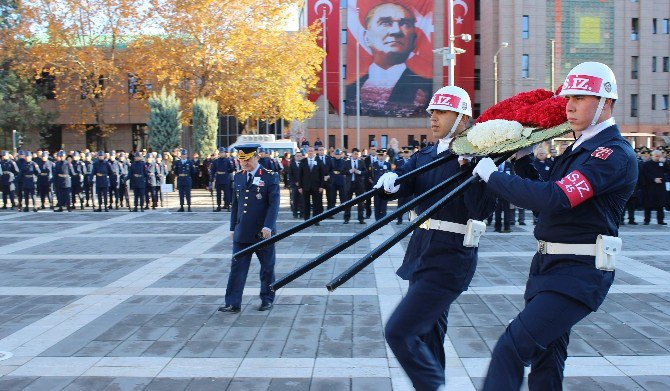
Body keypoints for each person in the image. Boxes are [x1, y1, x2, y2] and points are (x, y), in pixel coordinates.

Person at [472, 62, 638, 390]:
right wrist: (524, 161)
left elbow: (555, 198)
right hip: (549, 268)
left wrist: (494, 176)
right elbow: (550, 191)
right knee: (547, 364)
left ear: (606, 102)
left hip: (578, 273)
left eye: (581, 97)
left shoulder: (611, 154)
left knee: (511, 349)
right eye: (568, 98)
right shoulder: (579, 149)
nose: (570, 106)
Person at [375, 85, 495, 390]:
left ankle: (432, 385)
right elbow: (406, 184)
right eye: (432, 112)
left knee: (400, 331)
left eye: (441, 112)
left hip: (451, 256)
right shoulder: (427, 153)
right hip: (421, 251)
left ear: (462, 117)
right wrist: (390, 183)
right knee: (429, 334)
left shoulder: (478, 155)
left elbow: (481, 208)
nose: (433, 117)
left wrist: (475, 170)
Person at [219, 144, 280, 313]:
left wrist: (268, 225)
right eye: (241, 160)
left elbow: (273, 205)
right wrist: (232, 228)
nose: (244, 164)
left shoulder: (269, 177)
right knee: (237, 268)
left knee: (267, 268)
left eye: (247, 160)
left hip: (263, 233)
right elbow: (235, 205)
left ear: (257, 157)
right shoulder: (238, 177)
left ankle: (267, 299)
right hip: (242, 232)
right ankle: (233, 302)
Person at [345, 1, 432, 117]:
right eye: (385, 23)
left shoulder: (428, 89)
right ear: (366, 37)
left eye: (405, 23)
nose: (396, 31)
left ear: (414, 40)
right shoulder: (349, 91)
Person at [297, 146, 325, 223]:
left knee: (316, 203)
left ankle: (316, 220)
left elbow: (322, 175)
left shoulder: (319, 161)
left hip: (316, 186)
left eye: (311, 151)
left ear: (314, 152)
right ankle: (307, 219)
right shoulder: (303, 161)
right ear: (307, 152)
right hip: (305, 186)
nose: (310, 152)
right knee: (306, 203)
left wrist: (321, 186)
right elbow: (299, 175)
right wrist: (299, 187)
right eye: (309, 151)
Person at [641, 149, 668, 225]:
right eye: (656, 156)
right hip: (650, 187)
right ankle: (647, 220)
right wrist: (653, 179)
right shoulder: (646, 164)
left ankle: (660, 220)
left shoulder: (662, 164)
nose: (658, 158)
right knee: (648, 205)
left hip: (660, 187)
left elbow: (667, 171)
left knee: (660, 204)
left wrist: (665, 163)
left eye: (659, 156)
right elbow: (645, 174)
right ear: (652, 156)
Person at [342, 148, 367, 224]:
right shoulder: (347, 162)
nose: (356, 155)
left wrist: (358, 172)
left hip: (359, 184)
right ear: (352, 154)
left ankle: (361, 218)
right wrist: (350, 171)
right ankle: (346, 218)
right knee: (348, 202)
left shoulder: (361, 162)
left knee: (360, 202)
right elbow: (342, 172)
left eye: (357, 154)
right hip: (349, 184)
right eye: (355, 153)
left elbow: (365, 172)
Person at [210, 147, 235, 211]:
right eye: (220, 152)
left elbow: (232, 169)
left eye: (223, 152)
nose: (222, 154)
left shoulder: (228, 160)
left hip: (226, 178)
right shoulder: (215, 161)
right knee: (218, 194)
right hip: (218, 178)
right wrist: (211, 179)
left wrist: (229, 169)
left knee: (227, 193)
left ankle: (228, 206)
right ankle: (218, 206)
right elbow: (213, 171)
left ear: (225, 153)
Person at [394, 147, 412, 224]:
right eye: (405, 152)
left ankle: (411, 220)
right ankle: (399, 220)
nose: (406, 154)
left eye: (407, 152)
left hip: (411, 186)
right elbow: (396, 172)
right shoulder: (399, 162)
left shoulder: (413, 161)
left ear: (410, 153)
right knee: (400, 205)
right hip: (401, 186)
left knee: (411, 205)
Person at [372, 149, 391, 221]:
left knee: (384, 204)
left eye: (382, 155)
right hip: (377, 187)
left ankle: (383, 219)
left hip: (385, 187)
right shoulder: (374, 164)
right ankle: (377, 219)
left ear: (384, 156)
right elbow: (371, 175)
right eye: (379, 155)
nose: (380, 157)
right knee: (376, 204)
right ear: (377, 156)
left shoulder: (388, 164)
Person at [328, 149, 348, 214]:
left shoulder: (343, 161)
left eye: (338, 154)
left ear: (340, 155)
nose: (337, 156)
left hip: (341, 178)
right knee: (332, 196)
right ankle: (332, 210)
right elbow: (329, 169)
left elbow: (345, 170)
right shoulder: (331, 161)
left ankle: (344, 208)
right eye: (336, 154)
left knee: (342, 195)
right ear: (334, 155)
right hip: (333, 179)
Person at [289, 149, 304, 218]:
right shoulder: (292, 165)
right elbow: (290, 175)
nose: (299, 157)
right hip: (294, 185)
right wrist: (295, 182)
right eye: (297, 156)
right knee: (295, 200)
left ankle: (302, 214)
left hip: (302, 185)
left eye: (300, 156)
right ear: (295, 157)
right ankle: (295, 213)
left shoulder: (304, 164)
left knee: (302, 200)